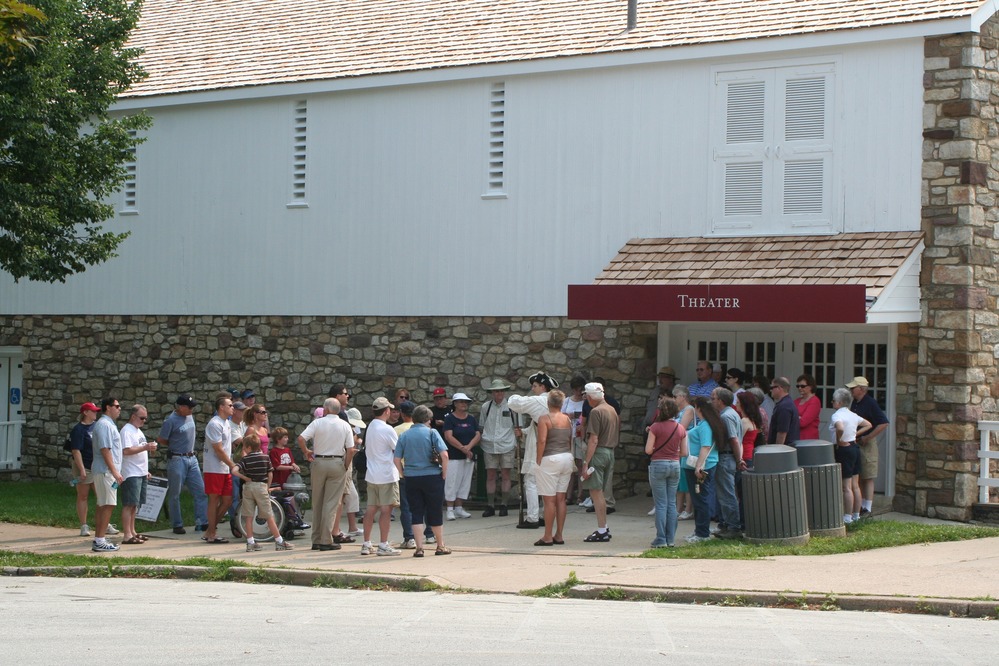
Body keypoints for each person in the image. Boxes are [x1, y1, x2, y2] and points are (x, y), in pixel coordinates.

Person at [297, 397, 355, 551]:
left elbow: (301, 438)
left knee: (317, 502)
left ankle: (316, 539)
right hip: (337, 462)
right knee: (331, 503)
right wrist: (345, 465)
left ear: (327, 409)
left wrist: (306, 452)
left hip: (319, 462)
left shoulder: (317, 422)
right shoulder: (345, 425)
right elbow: (350, 449)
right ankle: (325, 539)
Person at [394, 405, 451, 557]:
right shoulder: (432, 433)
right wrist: (444, 473)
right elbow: (444, 455)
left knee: (416, 512)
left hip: (412, 477)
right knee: (435, 511)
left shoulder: (404, 436)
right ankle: (440, 545)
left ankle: (419, 548)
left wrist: (402, 473)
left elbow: (396, 458)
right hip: (432, 476)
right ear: (428, 419)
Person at [508, 371, 559, 529]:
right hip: (554, 445)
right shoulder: (556, 401)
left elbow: (514, 403)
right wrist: (523, 432)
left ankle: (532, 518)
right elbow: (537, 425)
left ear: (543, 387)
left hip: (539, 446)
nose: (533, 389)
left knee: (531, 481)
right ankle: (544, 515)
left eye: (535, 386)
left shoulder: (539, 400)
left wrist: (513, 396)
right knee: (547, 483)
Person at [158, 393, 209, 535]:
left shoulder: (189, 416)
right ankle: (177, 524)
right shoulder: (170, 421)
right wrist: (175, 444)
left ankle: (202, 522)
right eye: (189, 407)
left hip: (191, 458)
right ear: (180, 407)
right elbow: (162, 439)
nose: (192, 409)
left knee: (200, 491)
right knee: (175, 494)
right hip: (177, 459)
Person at [234, 434, 293, 552]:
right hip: (261, 486)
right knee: (269, 515)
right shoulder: (265, 457)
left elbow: (234, 470)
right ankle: (279, 541)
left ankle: (250, 542)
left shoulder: (245, 459)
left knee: (248, 517)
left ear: (249, 448)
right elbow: (270, 473)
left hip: (248, 487)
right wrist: (268, 486)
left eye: (245, 447)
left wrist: (245, 478)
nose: (244, 449)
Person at [360, 396, 402, 556]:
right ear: (386, 411)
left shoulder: (370, 426)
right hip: (386, 474)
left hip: (372, 474)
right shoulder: (387, 429)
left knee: (371, 509)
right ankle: (383, 544)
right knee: (386, 510)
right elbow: (397, 450)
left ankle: (366, 543)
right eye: (389, 409)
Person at [646, 397, 688, 548]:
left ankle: (661, 538)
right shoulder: (680, 428)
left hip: (658, 465)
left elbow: (648, 450)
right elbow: (685, 452)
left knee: (661, 504)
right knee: (672, 503)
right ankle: (671, 539)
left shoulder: (655, 427)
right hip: (675, 465)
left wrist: (658, 447)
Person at [580, 382, 619, 543]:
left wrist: (585, 463)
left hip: (599, 453)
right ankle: (604, 527)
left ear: (589, 397)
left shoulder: (596, 412)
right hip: (610, 451)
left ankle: (602, 530)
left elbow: (593, 439)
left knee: (596, 493)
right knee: (600, 492)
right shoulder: (612, 410)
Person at [534, 390, 574, 546]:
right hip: (566, 457)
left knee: (549, 500)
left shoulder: (544, 419)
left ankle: (547, 535)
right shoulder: (567, 419)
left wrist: (538, 460)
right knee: (561, 499)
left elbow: (542, 441)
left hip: (550, 458)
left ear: (548, 402)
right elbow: (570, 439)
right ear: (562, 403)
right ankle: (559, 534)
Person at [847, 376, 890, 518]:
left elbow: (883, 423)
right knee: (858, 475)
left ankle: (867, 507)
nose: (851, 390)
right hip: (856, 442)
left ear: (861, 389)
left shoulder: (870, 403)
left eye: (853, 388)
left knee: (868, 475)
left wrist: (867, 437)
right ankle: (858, 506)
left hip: (867, 444)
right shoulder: (855, 402)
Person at [394, 402, 434, 548]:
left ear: (402, 413)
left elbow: (395, 455)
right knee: (428, 504)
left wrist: (400, 472)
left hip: (406, 471)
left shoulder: (397, 430)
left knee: (407, 506)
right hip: (427, 471)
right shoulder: (428, 430)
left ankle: (410, 537)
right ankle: (430, 533)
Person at [683, 397, 723, 543]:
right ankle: (699, 531)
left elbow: (705, 446)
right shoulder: (706, 423)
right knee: (698, 499)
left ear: (698, 408)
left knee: (701, 499)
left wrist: (699, 466)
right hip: (697, 465)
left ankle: (702, 533)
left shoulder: (705, 425)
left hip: (700, 467)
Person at [830, 388, 872, 525]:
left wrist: (839, 439)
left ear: (839, 402)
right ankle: (856, 515)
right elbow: (868, 425)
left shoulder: (837, 415)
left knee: (845, 486)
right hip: (854, 447)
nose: (832, 403)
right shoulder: (853, 415)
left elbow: (840, 428)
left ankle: (847, 517)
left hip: (844, 450)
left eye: (833, 401)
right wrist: (855, 435)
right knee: (855, 485)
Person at [70, 401, 112, 537]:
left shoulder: (97, 426)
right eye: (93, 411)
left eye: (96, 411)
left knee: (102, 496)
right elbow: (76, 451)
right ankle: (84, 525)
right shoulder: (78, 430)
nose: (96, 413)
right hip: (84, 465)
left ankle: (104, 524)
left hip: (97, 466)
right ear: (85, 413)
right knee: (83, 496)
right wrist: (81, 470)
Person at [478, 379, 519, 517]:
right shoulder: (485, 407)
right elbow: (482, 425)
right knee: (490, 476)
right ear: (492, 393)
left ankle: (504, 505)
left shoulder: (512, 407)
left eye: (501, 390)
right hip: (489, 444)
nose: (499, 393)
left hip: (507, 444)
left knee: (506, 475)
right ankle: (490, 505)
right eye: (496, 391)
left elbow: (518, 427)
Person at [119, 404, 157, 544]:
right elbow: (126, 451)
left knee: (135, 504)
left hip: (140, 471)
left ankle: (132, 531)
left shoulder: (138, 431)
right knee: (129, 504)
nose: (144, 421)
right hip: (131, 473)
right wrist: (146, 447)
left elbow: (140, 451)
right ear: (133, 416)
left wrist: (145, 470)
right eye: (142, 418)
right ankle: (127, 535)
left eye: (145, 418)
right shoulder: (127, 431)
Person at [90, 397, 124, 552]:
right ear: (108, 407)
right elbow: (105, 449)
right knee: (108, 504)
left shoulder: (108, 425)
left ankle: (99, 537)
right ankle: (99, 540)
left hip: (105, 470)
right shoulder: (104, 425)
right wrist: (115, 471)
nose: (119, 409)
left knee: (102, 504)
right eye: (117, 406)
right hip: (106, 471)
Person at [203, 394, 236, 544]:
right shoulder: (214, 424)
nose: (232, 408)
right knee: (214, 499)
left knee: (228, 500)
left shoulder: (226, 423)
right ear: (221, 407)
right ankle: (212, 533)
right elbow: (218, 449)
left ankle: (210, 529)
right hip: (214, 467)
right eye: (230, 405)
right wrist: (232, 464)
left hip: (224, 467)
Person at [711, 387, 744, 539]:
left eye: (713, 398)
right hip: (729, 457)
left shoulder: (726, 416)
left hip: (726, 457)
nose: (711, 401)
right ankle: (725, 525)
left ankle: (733, 528)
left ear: (721, 401)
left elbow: (734, 439)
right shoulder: (731, 413)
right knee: (725, 494)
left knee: (727, 494)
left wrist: (739, 459)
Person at [443, 392, 480, 520]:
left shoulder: (471, 419)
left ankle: (459, 508)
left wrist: (469, 447)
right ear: (455, 404)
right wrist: (463, 449)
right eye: (461, 402)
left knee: (465, 481)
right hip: (454, 456)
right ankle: (449, 509)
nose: (464, 404)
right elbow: (448, 436)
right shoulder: (449, 419)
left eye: (465, 402)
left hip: (468, 456)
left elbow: (477, 434)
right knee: (452, 481)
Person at [268, 427, 309, 529]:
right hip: (279, 481)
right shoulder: (274, 452)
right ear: (278, 439)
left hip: (288, 480)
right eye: (285, 437)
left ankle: (294, 519)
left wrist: (294, 466)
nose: (287, 439)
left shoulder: (287, 450)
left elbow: (292, 461)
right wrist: (290, 467)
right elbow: (277, 466)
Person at [562, 375, 588, 505]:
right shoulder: (566, 401)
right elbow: (560, 415)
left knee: (580, 465)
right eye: (577, 390)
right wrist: (568, 416)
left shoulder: (585, 402)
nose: (579, 392)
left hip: (580, 435)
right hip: (568, 435)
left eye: (581, 389)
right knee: (568, 466)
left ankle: (580, 494)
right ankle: (568, 495)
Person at [767, 377, 801, 445]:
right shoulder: (787, 403)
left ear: (779, 388)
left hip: (785, 448)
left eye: (772, 388)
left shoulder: (784, 406)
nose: (770, 390)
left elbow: (782, 432)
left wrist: (778, 450)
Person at [795, 374, 821, 440]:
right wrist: (798, 417)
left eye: (803, 386)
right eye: (798, 386)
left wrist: (794, 417)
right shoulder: (796, 401)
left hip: (808, 439)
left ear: (811, 387)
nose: (800, 388)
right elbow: (787, 417)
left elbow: (803, 423)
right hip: (796, 437)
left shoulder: (814, 401)